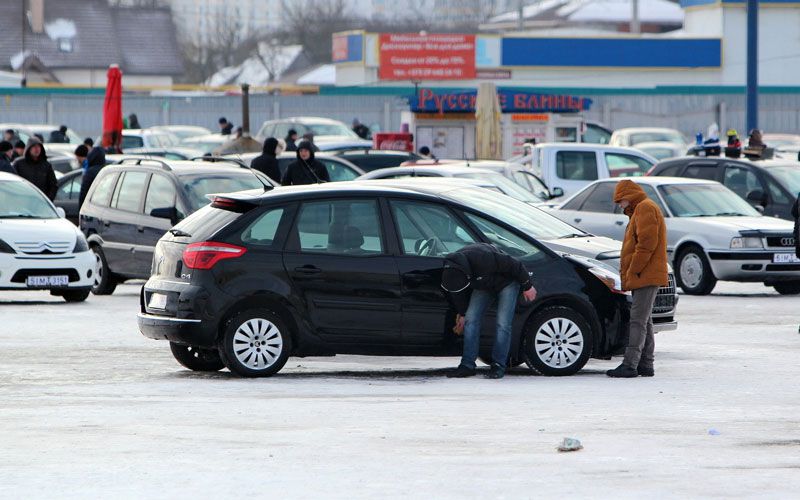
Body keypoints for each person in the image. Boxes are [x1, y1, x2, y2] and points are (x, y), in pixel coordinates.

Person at [441, 243, 537, 379]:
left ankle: (498, 365)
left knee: (503, 324)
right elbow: (458, 294)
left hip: (507, 283)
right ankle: (467, 365)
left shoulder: (482, 258)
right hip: (483, 284)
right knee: (470, 320)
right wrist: (462, 314)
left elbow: (515, 264)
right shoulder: (451, 274)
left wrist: (528, 285)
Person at [607, 180, 668, 378]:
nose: (619, 205)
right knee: (645, 320)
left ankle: (630, 364)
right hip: (645, 274)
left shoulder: (644, 208)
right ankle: (645, 364)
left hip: (645, 274)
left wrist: (634, 269)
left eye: (620, 200)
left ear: (629, 196)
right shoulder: (641, 209)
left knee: (637, 321)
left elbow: (646, 244)